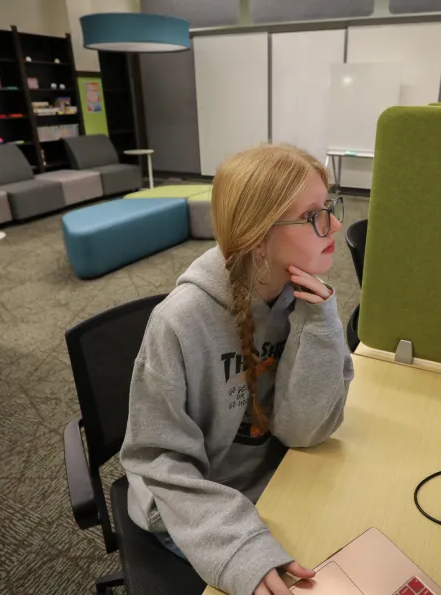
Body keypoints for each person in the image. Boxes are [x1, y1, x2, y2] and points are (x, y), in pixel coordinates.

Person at [119, 143, 354, 595]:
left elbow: (304, 432)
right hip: (192, 507)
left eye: (329, 207)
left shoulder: (303, 297)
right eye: (313, 215)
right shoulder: (179, 323)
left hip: (271, 478)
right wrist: (238, 546)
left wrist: (321, 324)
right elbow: (156, 460)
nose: (336, 224)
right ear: (258, 237)